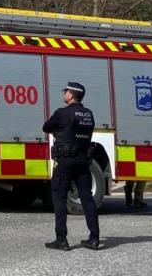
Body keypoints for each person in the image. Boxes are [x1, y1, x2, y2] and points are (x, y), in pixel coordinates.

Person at [42, 82, 101, 251]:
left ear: (72, 95)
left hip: (65, 161)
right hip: (83, 161)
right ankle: (94, 239)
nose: (64, 93)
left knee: (59, 197)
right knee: (87, 198)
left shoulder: (62, 113)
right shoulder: (88, 114)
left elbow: (46, 127)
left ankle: (61, 239)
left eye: (66, 91)